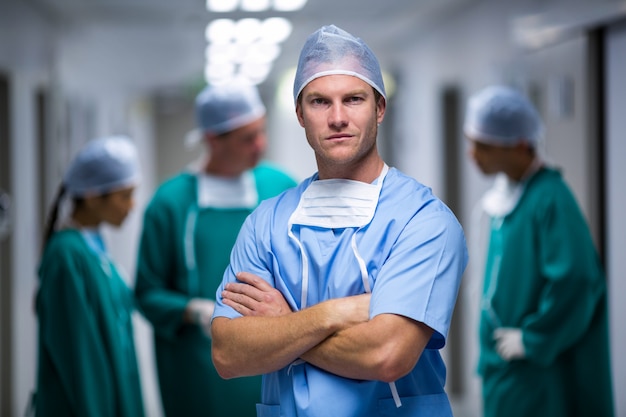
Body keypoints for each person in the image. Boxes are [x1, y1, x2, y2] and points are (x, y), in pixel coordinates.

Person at [211, 24, 468, 417]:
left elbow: (388, 353)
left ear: (379, 108)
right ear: (299, 113)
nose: (337, 117)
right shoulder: (265, 224)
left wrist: (285, 327)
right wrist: (335, 314)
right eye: (319, 102)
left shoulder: (423, 222)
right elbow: (228, 354)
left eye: (353, 99)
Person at [134, 81, 297, 416]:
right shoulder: (171, 204)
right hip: (197, 367)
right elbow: (147, 293)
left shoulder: (281, 188)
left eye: (261, 131)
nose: (261, 145)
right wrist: (193, 311)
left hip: (272, 358)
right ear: (212, 140)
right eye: (247, 138)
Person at [464, 85, 614, 417]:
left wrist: (534, 339)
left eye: (482, 145)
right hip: (503, 368)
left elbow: (577, 281)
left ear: (518, 145)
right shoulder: (507, 199)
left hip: (535, 374)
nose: (472, 154)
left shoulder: (550, 199)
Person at [35, 135, 145, 417]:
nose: (132, 206)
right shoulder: (66, 257)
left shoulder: (93, 247)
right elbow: (79, 358)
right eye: (125, 196)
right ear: (94, 196)